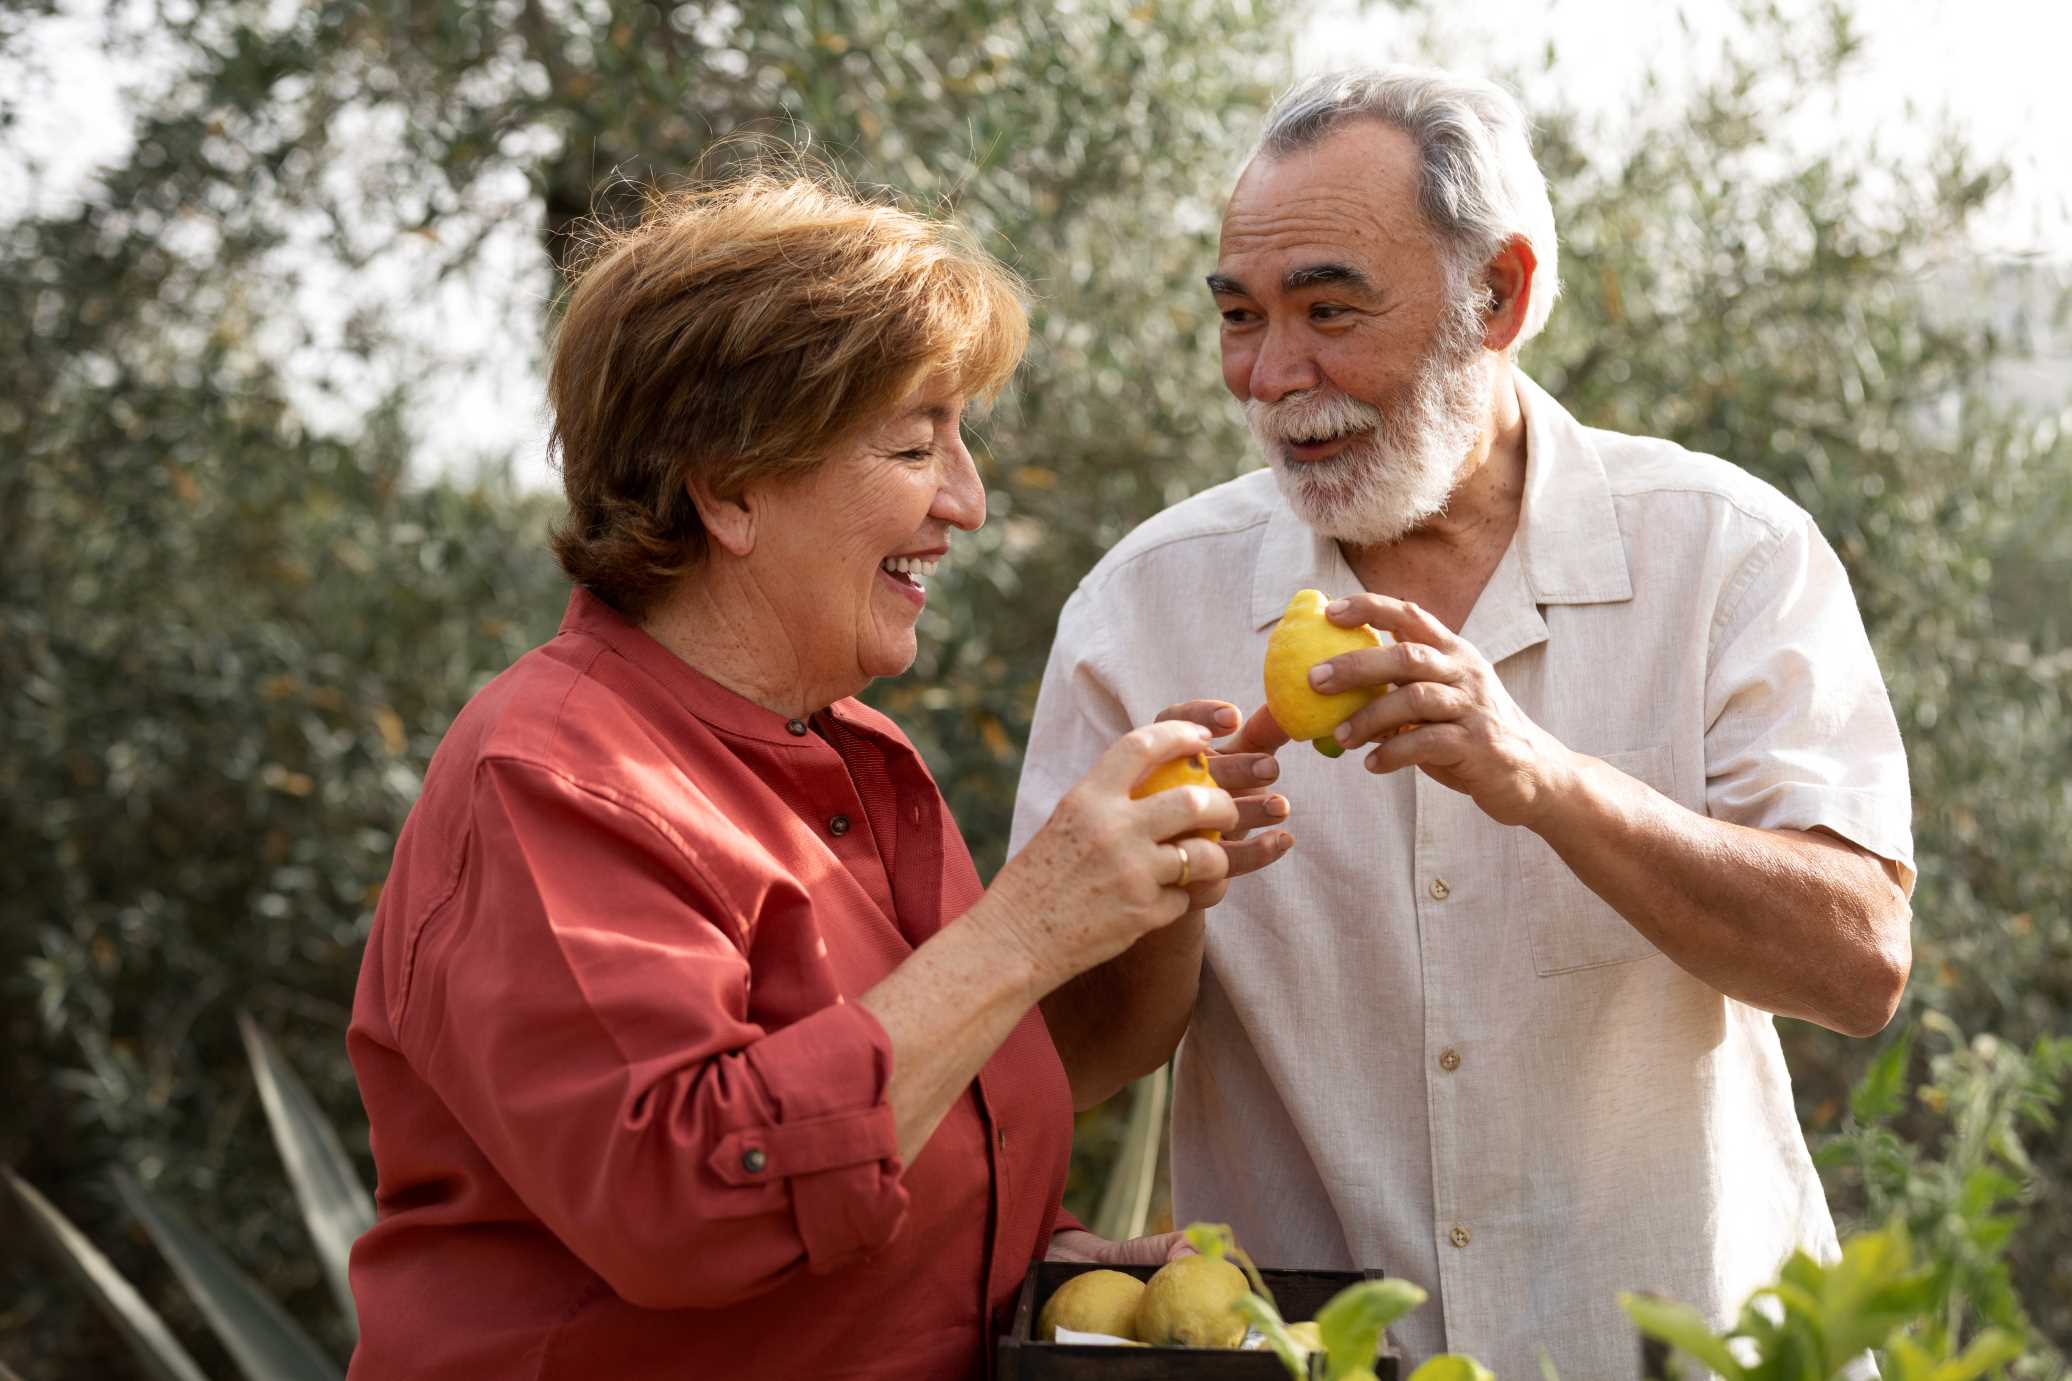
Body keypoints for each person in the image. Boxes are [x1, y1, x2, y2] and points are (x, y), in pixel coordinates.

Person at [1012, 67, 1914, 1377]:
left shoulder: (1730, 557)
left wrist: (1542, 779)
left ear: (1503, 295)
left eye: (1330, 309)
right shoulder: (1140, 611)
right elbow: (1073, 1064)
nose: (1274, 376)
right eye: (1239, 317)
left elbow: (1860, 962)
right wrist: (1162, 889)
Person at [343, 166, 1292, 1379]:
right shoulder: (552, 779)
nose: (969, 501)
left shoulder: (850, 749)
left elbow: (979, 1087)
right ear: (729, 486)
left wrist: (1156, 881)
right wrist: (1026, 925)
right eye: (913, 445)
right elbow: (693, 1196)